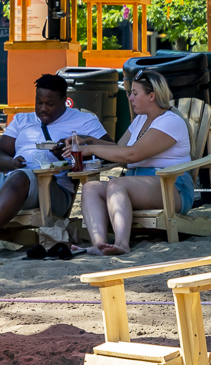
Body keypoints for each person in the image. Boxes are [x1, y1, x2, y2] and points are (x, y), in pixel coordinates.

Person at [0, 73, 110, 260]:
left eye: (50, 104)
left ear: (65, 100)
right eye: (39, 102)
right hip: (12, 181)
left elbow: (112, 152)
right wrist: (11, 162)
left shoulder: (84, 121)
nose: (43, 109)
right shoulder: (23, 120)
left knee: (20, 177)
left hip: (54, 190)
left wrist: (80, 148)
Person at [62, 71, 193, 256]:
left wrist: (91, 150)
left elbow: (132, 155)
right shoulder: (140, 119)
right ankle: (99, 244)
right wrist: (89, 141)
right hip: (137, 184)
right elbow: (119, 148)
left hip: (171, 186)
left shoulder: (170, 122)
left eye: (135, 93)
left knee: (116, 183)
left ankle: (122, 244)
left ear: (152, 96)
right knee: (91, 188)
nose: (130, 98)